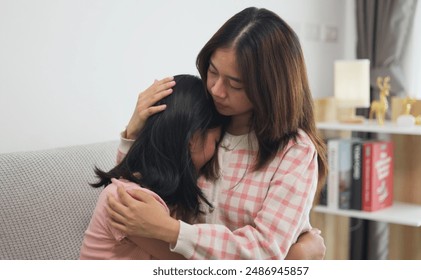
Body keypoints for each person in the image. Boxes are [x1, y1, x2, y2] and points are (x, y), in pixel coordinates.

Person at [107, 7, 328, 260]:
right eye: (212, 72)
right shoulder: (199, 122)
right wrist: (133, 130)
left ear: (270, 88)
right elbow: (137, 191)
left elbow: (265, 251)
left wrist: (171, 230)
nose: (216, 90)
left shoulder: (294, 151)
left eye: (235, 84)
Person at [79, 74, 226, 259]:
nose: (216, 153)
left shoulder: (151, 190)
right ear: (192, 141)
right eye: (216, 141)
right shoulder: (128, 199)